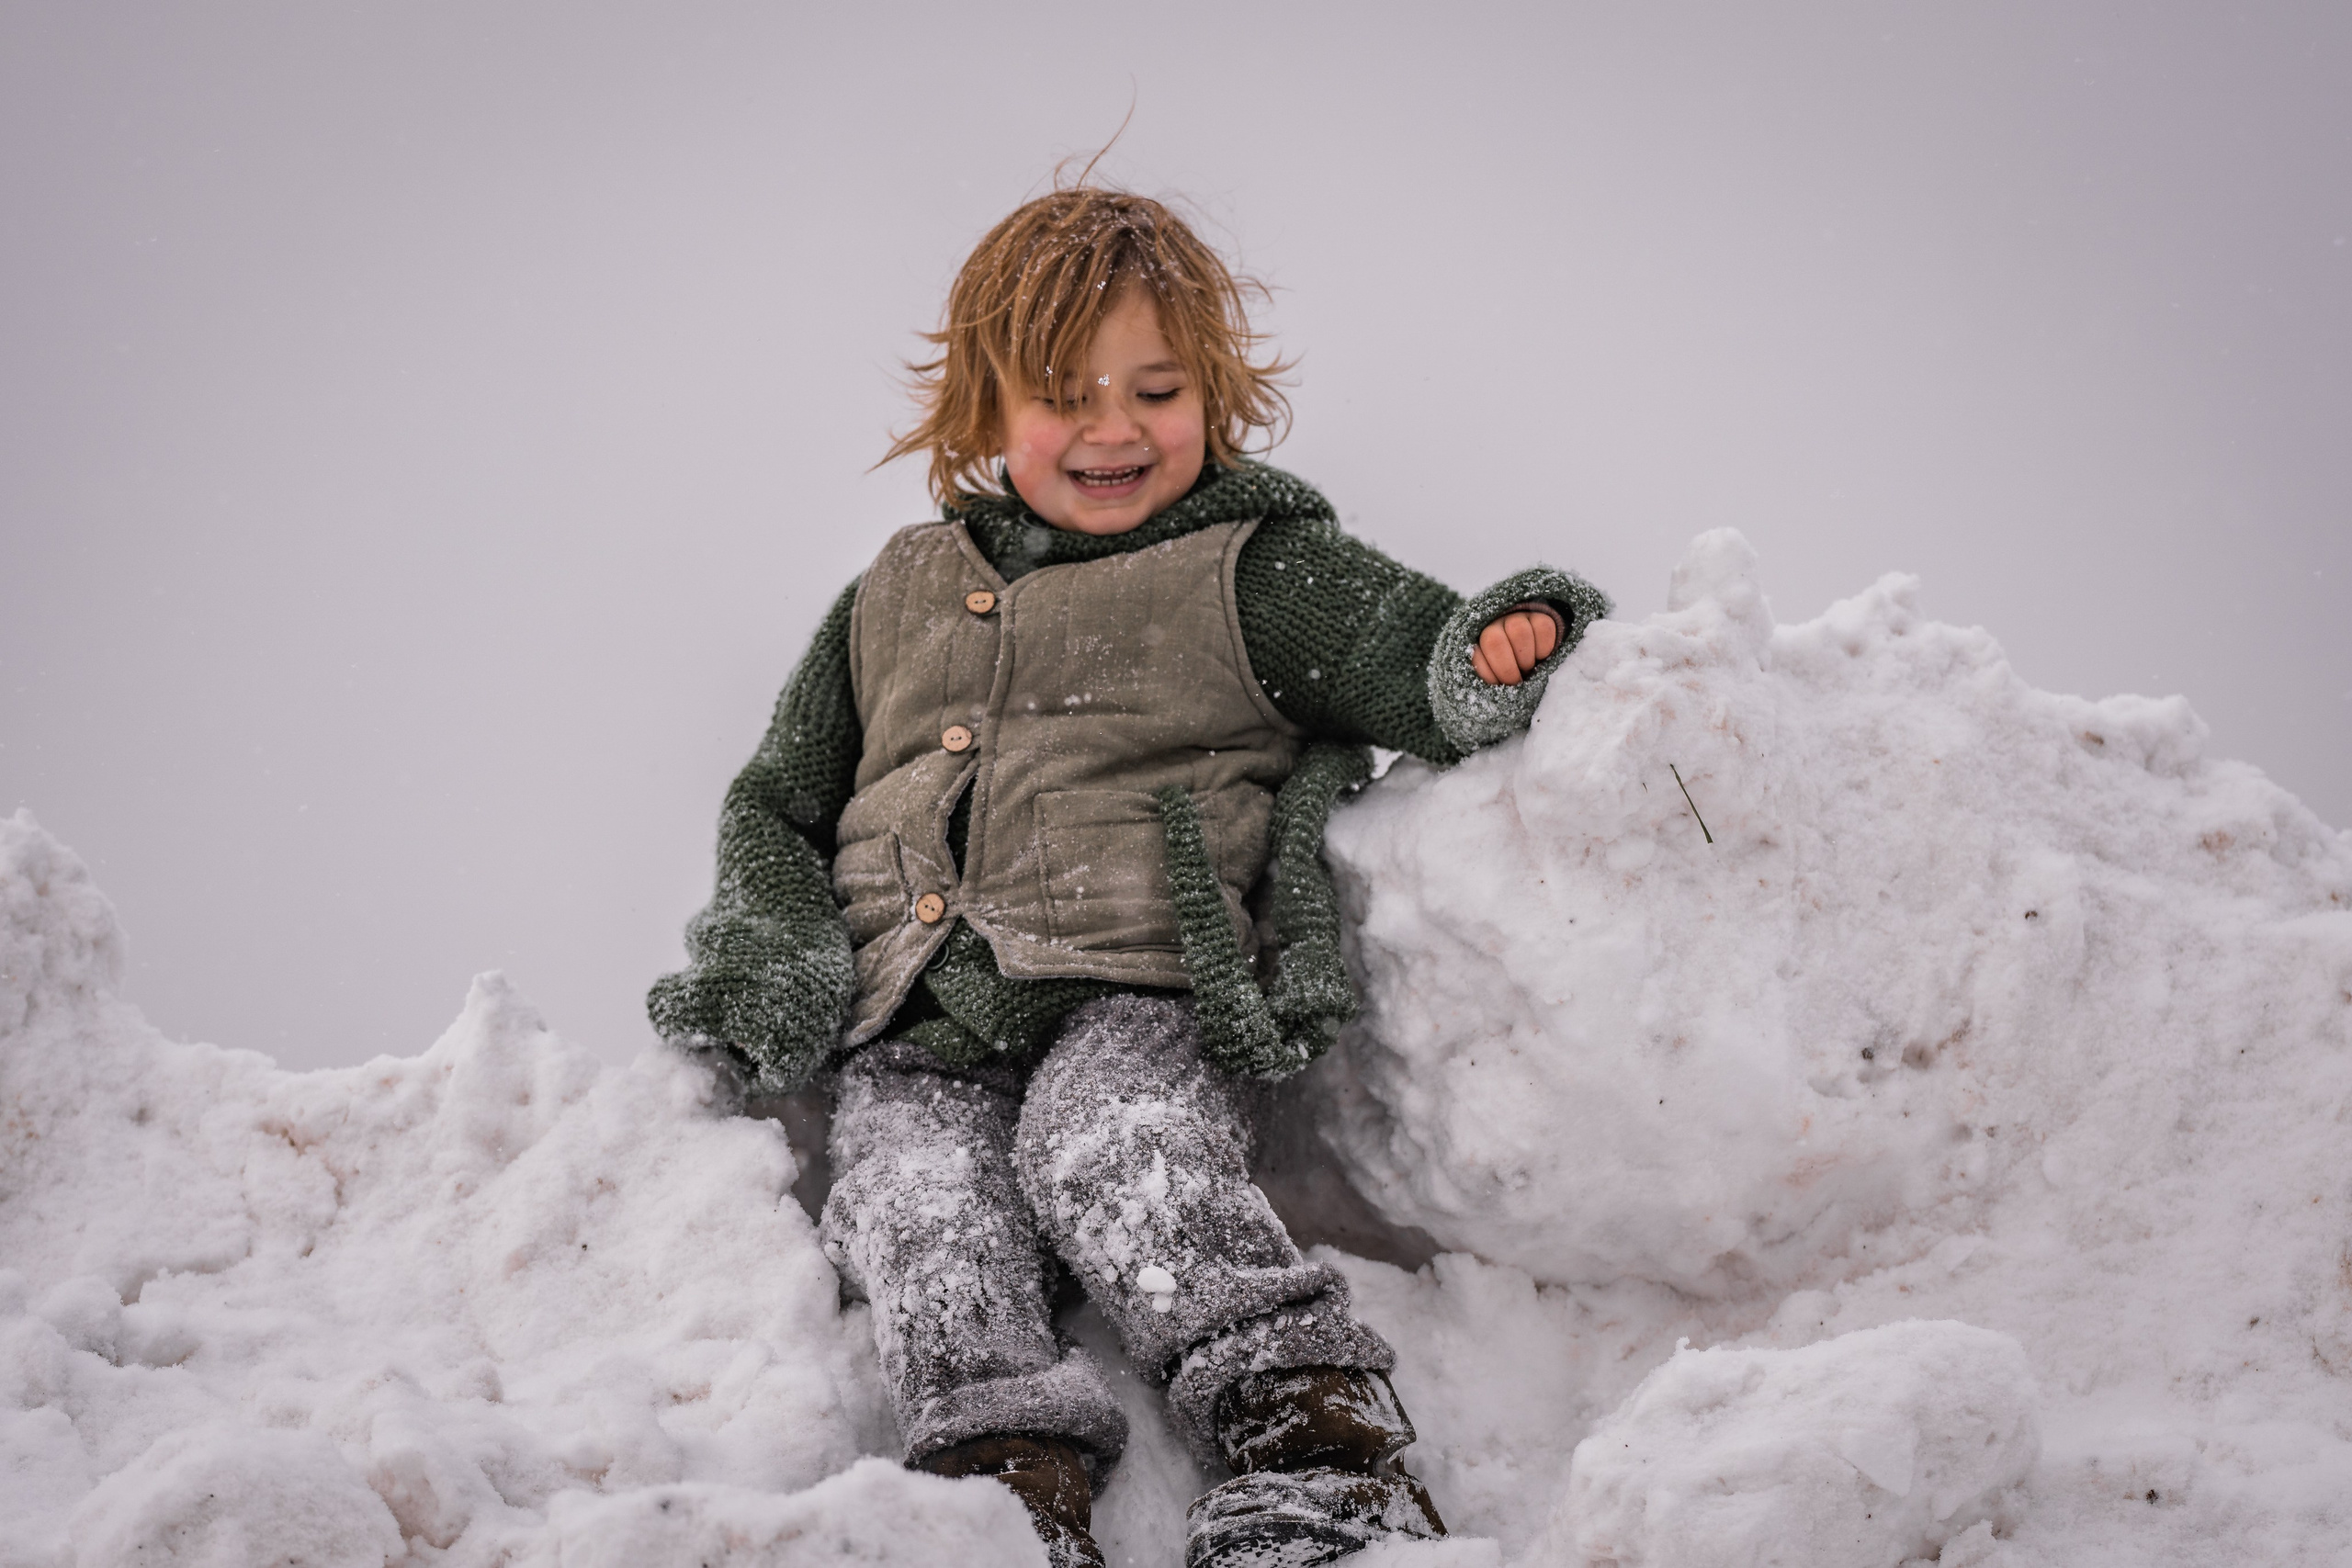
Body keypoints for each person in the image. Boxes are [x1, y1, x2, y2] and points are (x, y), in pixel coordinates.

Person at [650, 184, 1608, 1568]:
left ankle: (1314, 1449)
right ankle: (1000, 1487)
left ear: (1214, 397)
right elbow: (780, 800)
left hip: (1137, 982)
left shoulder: (1257, 571)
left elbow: (1416, 656)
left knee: (1116, 1146)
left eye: (1156, 391)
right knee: (917, 1204)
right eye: (1062, 394)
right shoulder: (893, 594)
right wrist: (781, 945)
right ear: (983, 415)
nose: (1112, 429)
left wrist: (1489, 654)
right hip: (918, 1019)